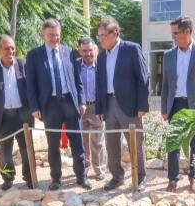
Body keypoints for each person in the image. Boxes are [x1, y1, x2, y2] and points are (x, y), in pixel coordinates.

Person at [25, 19, 91, 191]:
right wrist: (34, 107)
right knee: (53, 144)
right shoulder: (34, 55)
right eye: (51, 35)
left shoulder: (68, 52)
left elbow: (77, 80)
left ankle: (81, 177)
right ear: (43, 35)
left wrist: (82, 101)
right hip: (50, 105)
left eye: (57, 35)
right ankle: (56, 179)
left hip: (70, 102)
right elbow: (30, 85)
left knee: (77, 142)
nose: (55, 38)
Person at [161, 16, 195, 193]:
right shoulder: (169, 55)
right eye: (172, 34)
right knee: (173, 143)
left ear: (188, 32)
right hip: (175, 104)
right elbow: (166, 84)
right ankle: (173, 180)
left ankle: (194, 177)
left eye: (175, 33)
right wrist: (164, 108)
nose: (173, 37)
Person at [95, 17, 149, 192]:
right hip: (109, 105)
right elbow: (100, 82)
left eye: (104, 35)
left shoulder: (132, 49)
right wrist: (99, 108)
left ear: (115, 33)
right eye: (99, 36)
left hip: (130, 105)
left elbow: (143, 78)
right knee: (111, 144)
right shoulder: (102, 56)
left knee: (135, 142)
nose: (101, 39)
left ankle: (140, 177)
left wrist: (142, 106)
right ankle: (117, 177)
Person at [0, 34, 33, 190]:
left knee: (27, 149)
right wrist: (0, 103)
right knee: (5, 152)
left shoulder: (24, 64)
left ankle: (30, 178)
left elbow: (31, 88)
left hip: (23, 115)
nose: (10, 51)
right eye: (6, 48)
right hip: (3, 116)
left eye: (12, 47)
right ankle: (7, 179)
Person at [77, 36, 106, 181]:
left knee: (97, 140)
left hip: (96, 107)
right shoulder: (75, 65)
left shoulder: (101, 64)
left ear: (95, 49)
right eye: (84, 51)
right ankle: (84, 168)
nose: (88, 53)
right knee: (81, 141)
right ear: (79, 51)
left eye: (90, 50)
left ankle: (99, 169)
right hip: (80, 108)